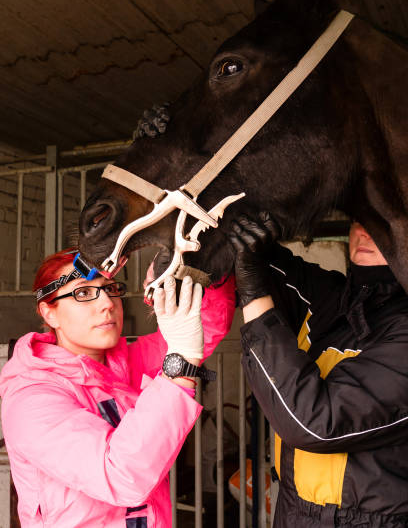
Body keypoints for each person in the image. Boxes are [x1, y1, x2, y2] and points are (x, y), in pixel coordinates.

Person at [0, 248, 235, 527]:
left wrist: (200, 263)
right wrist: (180, 363)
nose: (107, 303)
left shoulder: (124, 363)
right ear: (49, 313)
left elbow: (205, 326)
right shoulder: (32, 399)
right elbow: (122, 476)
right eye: (84, 293)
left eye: (110, 288)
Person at [228, 214, 408, 528]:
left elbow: (314, 423)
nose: (364, 230)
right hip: (292, 510)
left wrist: (253, 294)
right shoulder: (335, 298)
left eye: (382, 219)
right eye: (359, 218)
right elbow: (261, 260)